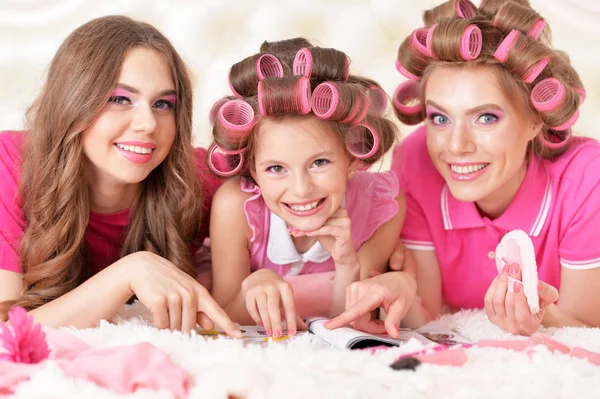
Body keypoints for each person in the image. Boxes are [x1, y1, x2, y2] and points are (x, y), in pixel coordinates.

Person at [326, 0, 600, 336]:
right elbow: (428, 314)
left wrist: (541, 317)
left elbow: (587, 331)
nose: (456, 146)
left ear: (535, 121)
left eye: (486, 118)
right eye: (440, 118)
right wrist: (400, 288)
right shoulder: (415, 161)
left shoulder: (587, 178)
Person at [0, 15, 241, 337]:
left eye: (163, 104)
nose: (148, 123)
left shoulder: (200, 179)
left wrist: (264, 277)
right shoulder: (10, 162)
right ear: (73, 101)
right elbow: (7, 335)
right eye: (119, 99)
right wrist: (128, 272)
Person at [208, 38, 405, 337]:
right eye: (276, 169)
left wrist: (346, 263)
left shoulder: (381, 204)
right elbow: (220, 321)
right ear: (252, 170)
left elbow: (348, 324)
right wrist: (255, 283)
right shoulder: (235, 207)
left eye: (319, 163)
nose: (301, 189)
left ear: (353, 157)